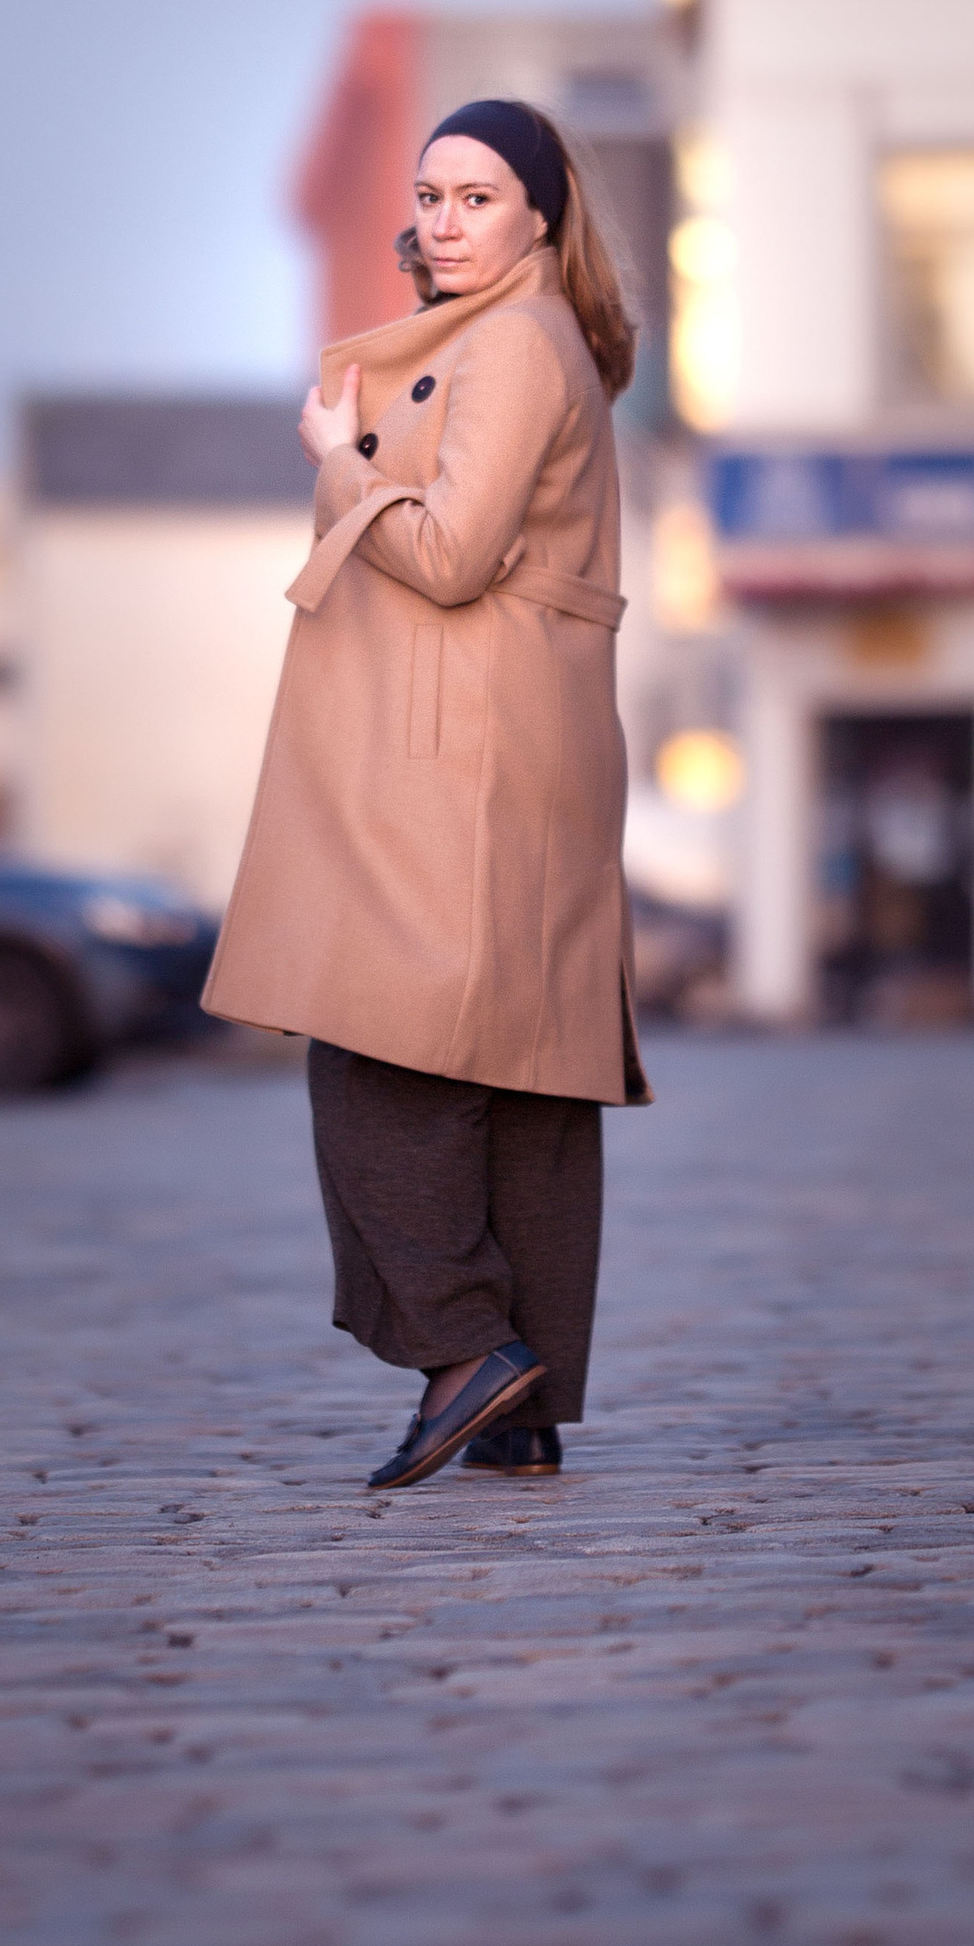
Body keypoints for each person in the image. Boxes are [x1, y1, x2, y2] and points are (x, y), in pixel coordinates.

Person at [204, 96, 650, 1491]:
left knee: (377, 1039)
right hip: (514, 741)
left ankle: (468, 1350)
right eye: (433, 196)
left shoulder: (515, 345)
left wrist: (339, 463)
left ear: (540, 216)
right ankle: (517, 1401)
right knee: (518, 1063)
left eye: (477, 197)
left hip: (466, 747)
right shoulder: (521, 340)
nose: (448, 221)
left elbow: (453, 556)